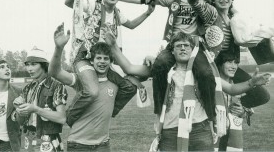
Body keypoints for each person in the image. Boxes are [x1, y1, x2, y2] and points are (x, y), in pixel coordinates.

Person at [104, 30, 271, 151]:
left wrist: (252, 82)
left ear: (192, 50)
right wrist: (113, 46)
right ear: (173, 50)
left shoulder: (205, 73)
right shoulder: (162, 70)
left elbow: (232, 89)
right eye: (178, 46)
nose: (183, 48)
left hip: (201, 129)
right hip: (170, 130)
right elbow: (130, 67)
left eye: (186, 46)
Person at [119, 0, 218, 115]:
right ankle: (161, 110)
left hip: (195, 46)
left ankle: (211, 114)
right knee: (159, 66)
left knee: (206, 74)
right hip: (173, 45)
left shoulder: (202, 1)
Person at [61, 0, 151, 126]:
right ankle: (69, 118)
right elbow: (70, 3)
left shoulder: (117, 13)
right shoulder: (93, 5)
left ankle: (106, 112)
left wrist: (148, 12)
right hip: (86, 57)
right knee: (91, 91)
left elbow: (132, 25)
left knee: (130, 87)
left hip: (104, 61)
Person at [48, 24, 137, 152]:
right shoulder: (82, 80)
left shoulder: (116, 83)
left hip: (103, 145)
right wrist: (58, 48)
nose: (102, 61)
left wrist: (148, 59)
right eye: (98, 58)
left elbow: (138, 76)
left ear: (110, 61)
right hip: (78, 144)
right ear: (92, 61)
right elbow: (55, 72)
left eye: (106, 59)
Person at [188, 0, 271, 108]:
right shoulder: (211, 15)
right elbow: (193, 0)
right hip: (211, 66)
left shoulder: (235, 20)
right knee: (210, 106)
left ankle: (233, 107)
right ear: (213, 0)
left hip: (230, 66)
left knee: (262, 96)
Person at [13, 47, 68, 152]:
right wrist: (18, 110)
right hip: (28, 139)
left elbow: (61, 118)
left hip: (48, 140)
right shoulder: (28, 87)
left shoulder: (56, 85)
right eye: (27, 65)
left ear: (44, 65)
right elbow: (20, 122)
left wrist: (36, 109)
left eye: (33, 64)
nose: (29, 69)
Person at [213, 51, 256, 151]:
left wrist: (243, 111)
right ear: (219, 64)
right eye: (229, 62)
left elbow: (249, 111)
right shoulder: (211, 83)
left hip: (232, 135)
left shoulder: (239, 87)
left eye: (236, 63)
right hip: (213, 133)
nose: (234, 66)